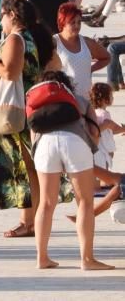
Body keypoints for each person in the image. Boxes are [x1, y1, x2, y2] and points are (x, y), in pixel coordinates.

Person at [0, 0, 51, 238]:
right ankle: (34, 219)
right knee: (30, 166)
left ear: (12, 15)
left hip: (16, 109)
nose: (0, 20)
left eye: (2, 15)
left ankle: (27, 221)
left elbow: (10, 73)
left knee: (21, 166)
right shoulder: (30, 38)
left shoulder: (14, 39)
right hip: (29, 105)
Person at [31, 71, 114, 271]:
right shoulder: (78, 99)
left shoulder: (37, 101)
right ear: (67, 84)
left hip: (45, 145)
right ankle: (87, 259)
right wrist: (90, 150)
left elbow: (32, 133)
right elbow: (94, 132)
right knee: (84, 201)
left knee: (46, 203)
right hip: (74, 142)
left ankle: (42, 258)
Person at [53, 2, 109, 99]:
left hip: (86, 99)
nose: (77, 26)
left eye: (79, 22)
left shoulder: (87, 42)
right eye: (72, 22)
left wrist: (90, 69)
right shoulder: (54, 42)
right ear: (63, 23)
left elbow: (106, 57)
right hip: (64, 98)